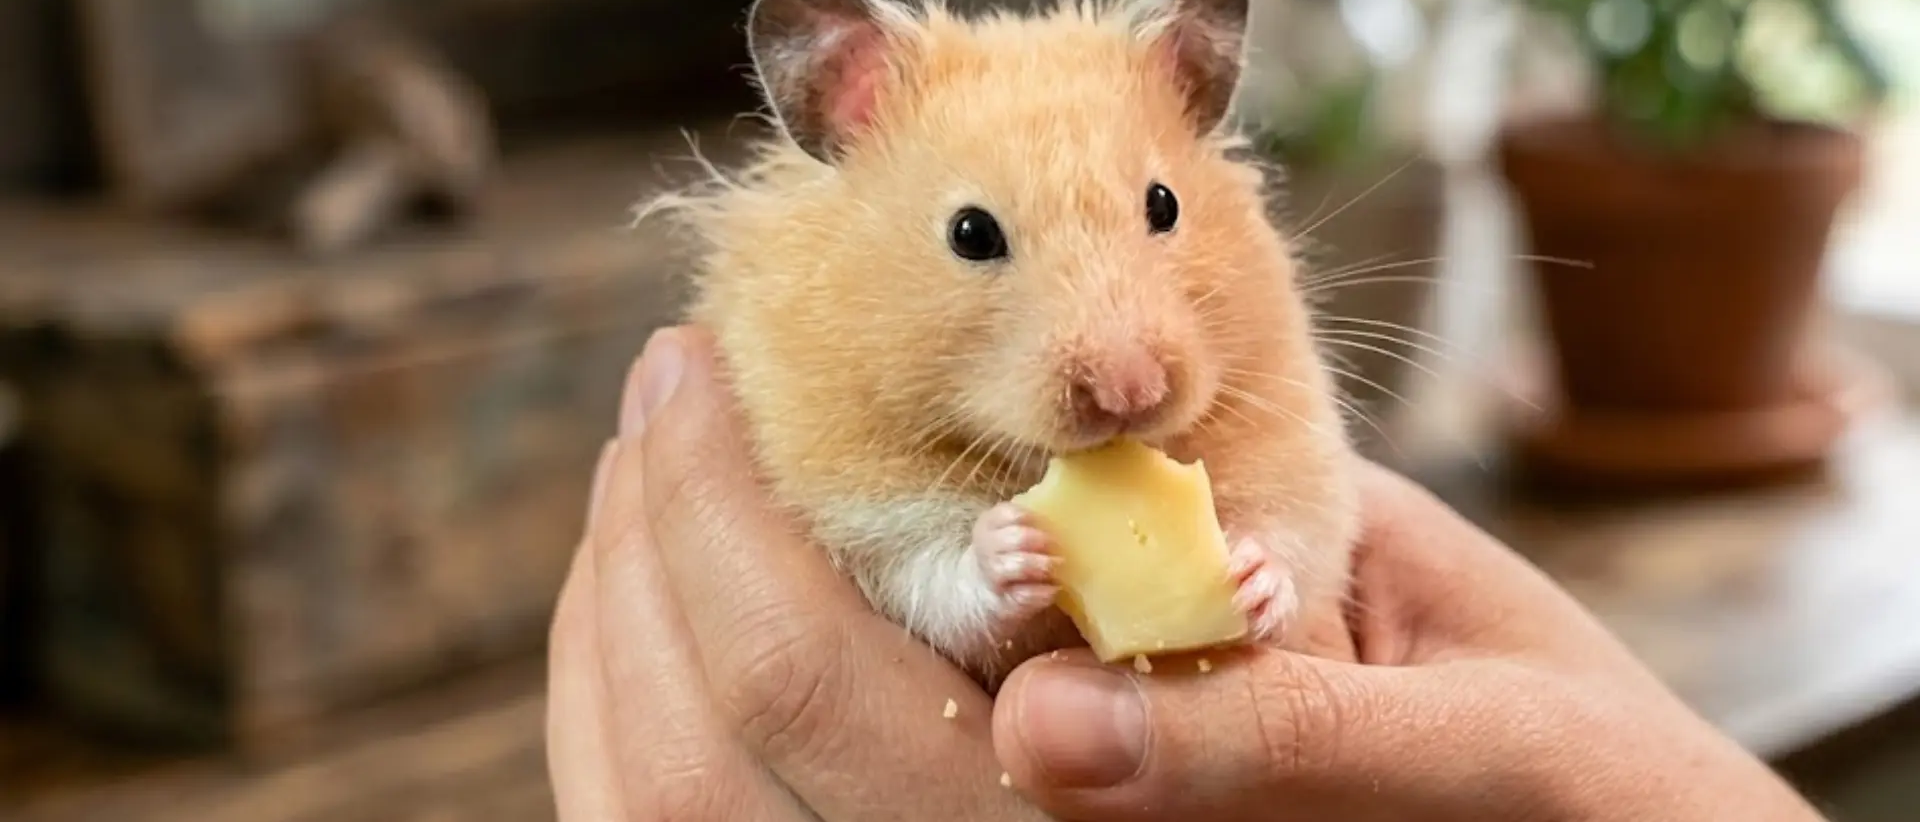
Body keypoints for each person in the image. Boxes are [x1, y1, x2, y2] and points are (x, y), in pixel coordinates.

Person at [546, 326, 1829, 821]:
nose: (1123, 381)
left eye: (1156, 213)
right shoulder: (811, 360)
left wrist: (1270, 566)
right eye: (981, 237)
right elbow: (858, 546)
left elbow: (1330, 512)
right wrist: (967, 575)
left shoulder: (1248, 354)